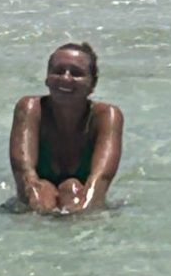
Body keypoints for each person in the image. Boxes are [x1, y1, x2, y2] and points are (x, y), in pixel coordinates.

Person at [9, 41, 122, 213]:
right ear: (47, 78)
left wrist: (79, 220)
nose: (65, 78)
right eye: (58, 71)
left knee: (73, 188)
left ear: (93, 84)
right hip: (38, 194)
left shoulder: (107, 116)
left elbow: (100, 180)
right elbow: (25, 175)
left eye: (76, 73)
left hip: (80, 195)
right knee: (42, 190)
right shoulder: (30, 108)